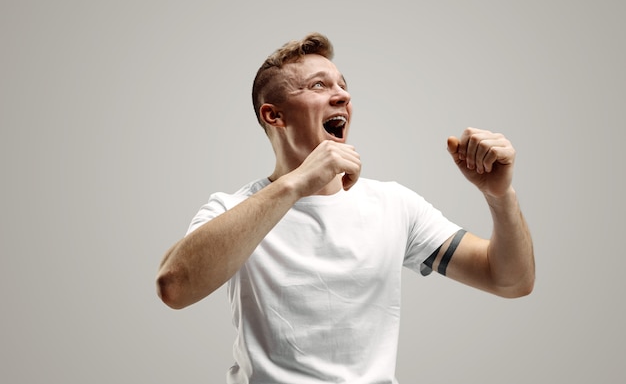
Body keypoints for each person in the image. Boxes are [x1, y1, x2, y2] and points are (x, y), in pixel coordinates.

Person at [156, 32, 535, 383]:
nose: (342, 96)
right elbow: (174, 287)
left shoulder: (394, 204)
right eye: (319, 85)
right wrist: (297, 183)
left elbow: (510, 280)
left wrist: (500, 196)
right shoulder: (232, 208)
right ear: (274, 115)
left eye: (343, 85)